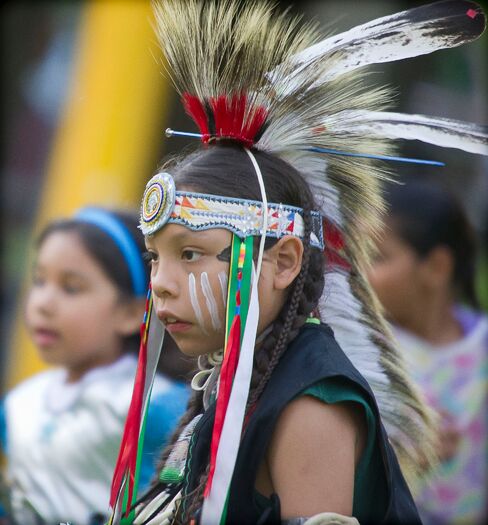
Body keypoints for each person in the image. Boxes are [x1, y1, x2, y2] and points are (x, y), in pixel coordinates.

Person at [107, 1, 488, 524]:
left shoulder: (312, 405)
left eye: (190, 254)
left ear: (284, 261)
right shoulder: (242, 381)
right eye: (155, 258)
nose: (162, 285)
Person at [0, 207, 189, 525]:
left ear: (131, 312)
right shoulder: (19, 404)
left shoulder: (157, 406)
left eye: (71, 287)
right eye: (39, 280)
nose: (43, 303)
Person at [368, 181, 488, 525]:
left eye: (378, 257)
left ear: (436, 266)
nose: (360, 270)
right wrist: (404, 456)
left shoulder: (480, 352)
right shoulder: (365, 351)